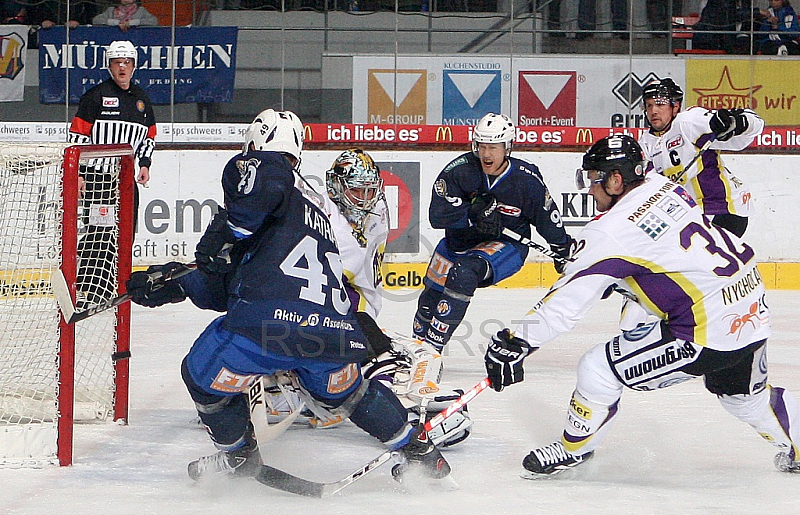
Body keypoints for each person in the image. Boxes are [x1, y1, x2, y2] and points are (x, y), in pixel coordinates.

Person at [125, 109, 452, 482]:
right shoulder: (318, 210)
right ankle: (418, 451)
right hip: (333, 333)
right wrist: (180, 282)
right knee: (351, 393)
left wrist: (211, 249)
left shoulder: (264, 172)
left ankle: (237, 456)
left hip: (268, 327)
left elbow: (237, 270)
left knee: (198, 375)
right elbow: (256, 272)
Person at [482, 134, 800, 478]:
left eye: (594, 180)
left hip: (708, 328)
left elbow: (563, 304)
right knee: (746, 398)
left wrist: (517, 341)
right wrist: (609, 273)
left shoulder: (610, 233)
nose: (590, 190)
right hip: (750, 300)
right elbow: (665, 251)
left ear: (616, 180)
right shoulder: (663, 185)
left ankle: (574, 449)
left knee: (597, 368)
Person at [262, 148, 473, 447]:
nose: (364, 198)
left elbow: (357, 278)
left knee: (370, 343)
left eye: (369, 190)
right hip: (303, 306)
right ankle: (302, 384)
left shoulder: (373, 216)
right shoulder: (317, 214)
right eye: (356, 190)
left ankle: (369, 384)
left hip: (344, 303)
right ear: (336, 187)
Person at [412, 112, 573, 354]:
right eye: (482, 146)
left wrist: (562, 248)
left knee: (464, 273)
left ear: (508, 147)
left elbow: (546, 216)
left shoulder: (526, 180)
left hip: (505, 246)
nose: (487, 154)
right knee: (428, 304)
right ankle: (415, 350)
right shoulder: (459, 171)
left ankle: (430, 353)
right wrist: (472, 216)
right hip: (458, 244)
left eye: (494, 147)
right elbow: (438, 215)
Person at [68, 40, 156, 305]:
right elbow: (78, 135)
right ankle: (90, 287)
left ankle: (117, 285)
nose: (122, 67)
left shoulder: (141, 100)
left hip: (126, 181)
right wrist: (80, 173)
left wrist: (144, 164)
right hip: (98, 178)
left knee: (126, 232)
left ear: (133, 66)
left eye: (127, 62)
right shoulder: (95, 96)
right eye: (117, 62)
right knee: (99, 231)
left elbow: (149, 136)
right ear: (109, 65)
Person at [638, 77, 764, 238]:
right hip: (689, 215)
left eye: (660, 104)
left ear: (675, 106)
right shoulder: (645, 143)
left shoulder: (688, 122)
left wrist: (736, 122)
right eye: (649, 105)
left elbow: (752, 127)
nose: (653, 111)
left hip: (722, 209)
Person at [92, 0, 159, 31]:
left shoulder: (141, 10)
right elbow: (96, 20)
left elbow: (154, 21)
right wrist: (117, 23)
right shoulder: (111, 10)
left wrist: (130, 23)